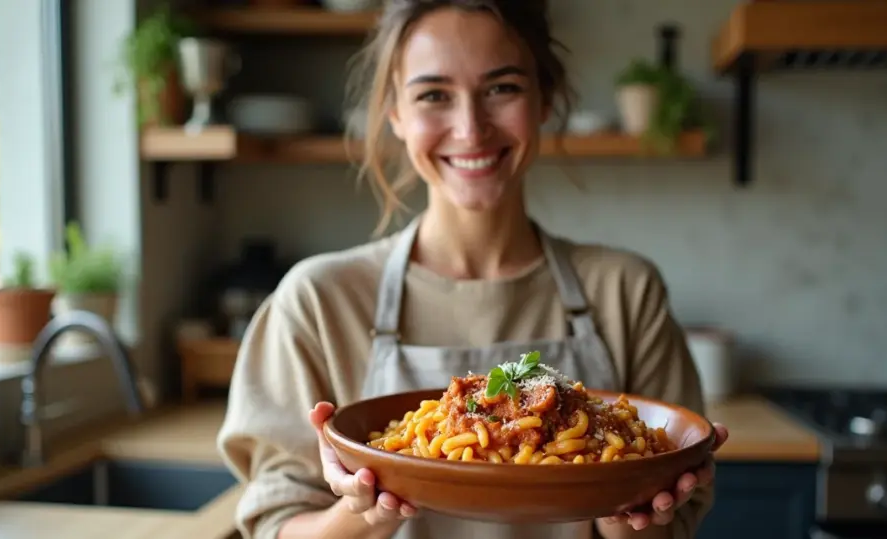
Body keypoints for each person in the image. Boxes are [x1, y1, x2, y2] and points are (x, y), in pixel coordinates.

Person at [217, 1, 730, 538]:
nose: (471, 128)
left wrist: (624, 505)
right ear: (396, 114)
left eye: (501, 88)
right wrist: (360, 511)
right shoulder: (318, 300)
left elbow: (672, 521)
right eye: (433, 95)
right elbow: (273, 525)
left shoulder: (626, 291)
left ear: (544, 99)